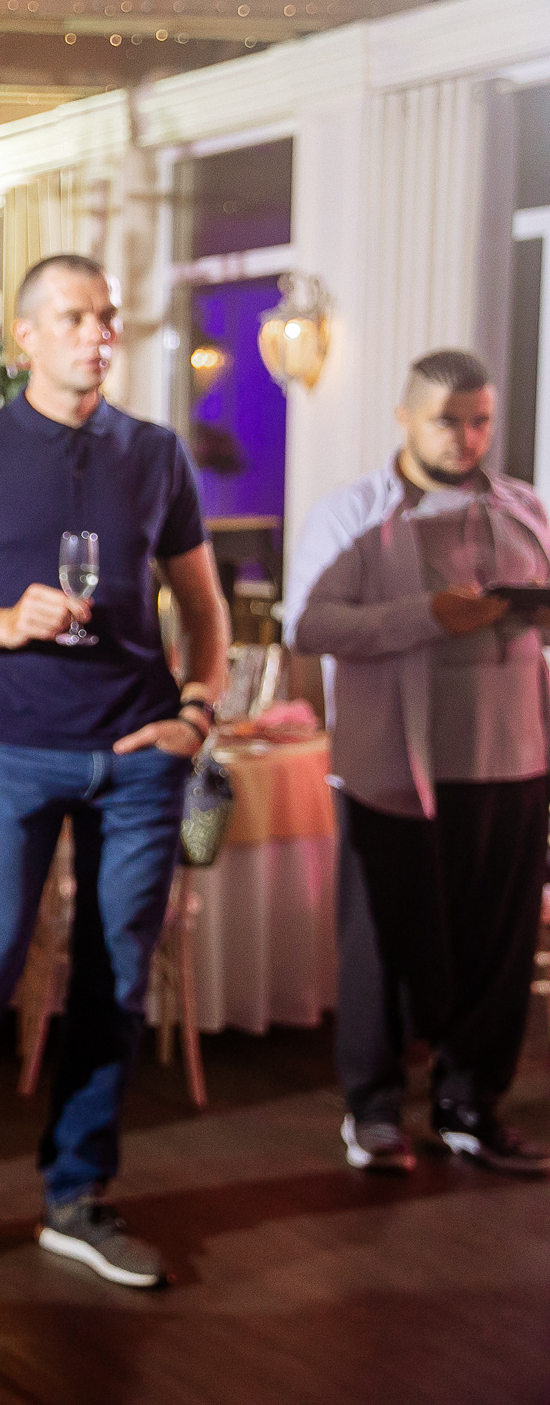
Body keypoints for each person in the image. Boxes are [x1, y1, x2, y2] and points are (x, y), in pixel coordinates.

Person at [0, 253, 229, 1292]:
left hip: (139, 757)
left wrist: (197, 711)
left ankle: (77, 1198)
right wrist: (2, 622)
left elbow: (203, 606)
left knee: (114, 983)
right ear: (26, 337)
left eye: (106, 316)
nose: (97, 333)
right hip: (13, 756)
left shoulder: (154, 455)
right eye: (73, 317)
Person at [283, 349, 550, 1177]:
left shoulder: (528, 510)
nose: (467, 438)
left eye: (480, 421)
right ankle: (371, 1109)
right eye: (447, 420)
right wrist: (426, 616)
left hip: (510, 755)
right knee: (387, 942)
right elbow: (308, 626)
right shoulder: (354, 512)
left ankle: (472, 1103)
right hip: (393, 762)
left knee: (499, 945)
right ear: (403, 417)